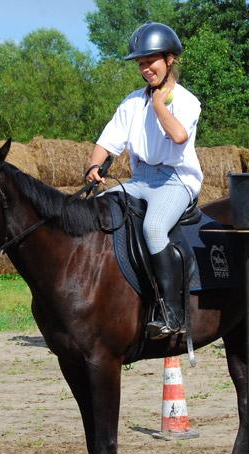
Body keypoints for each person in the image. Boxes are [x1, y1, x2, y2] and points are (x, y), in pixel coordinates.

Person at [85, 22, 203, 340]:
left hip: (176, 181)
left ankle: (172, 314)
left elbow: (178, 136)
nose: (146, 69)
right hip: (141, 179)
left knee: (153, 228)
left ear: (169, 59)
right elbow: (107, 141)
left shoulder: (186, 101)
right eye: (141, 64)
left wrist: (159, 104)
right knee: (94, 209)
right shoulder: (132, 102)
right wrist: (95, 165)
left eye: (151, 61)